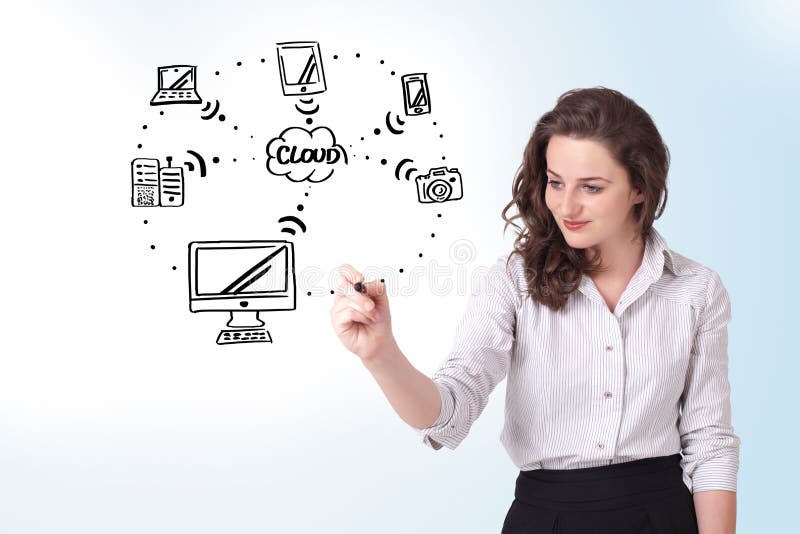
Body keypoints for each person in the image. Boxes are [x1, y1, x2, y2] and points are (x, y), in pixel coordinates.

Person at [329, 87, 740, 534]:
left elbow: (710, 443)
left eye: (592, 188)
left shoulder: (696, 290)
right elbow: (450, 412)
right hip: (546, 518)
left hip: (662, 517)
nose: (566, 206)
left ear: (639, 187)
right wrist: (380, 354)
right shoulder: (513, 282)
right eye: (555, 182)